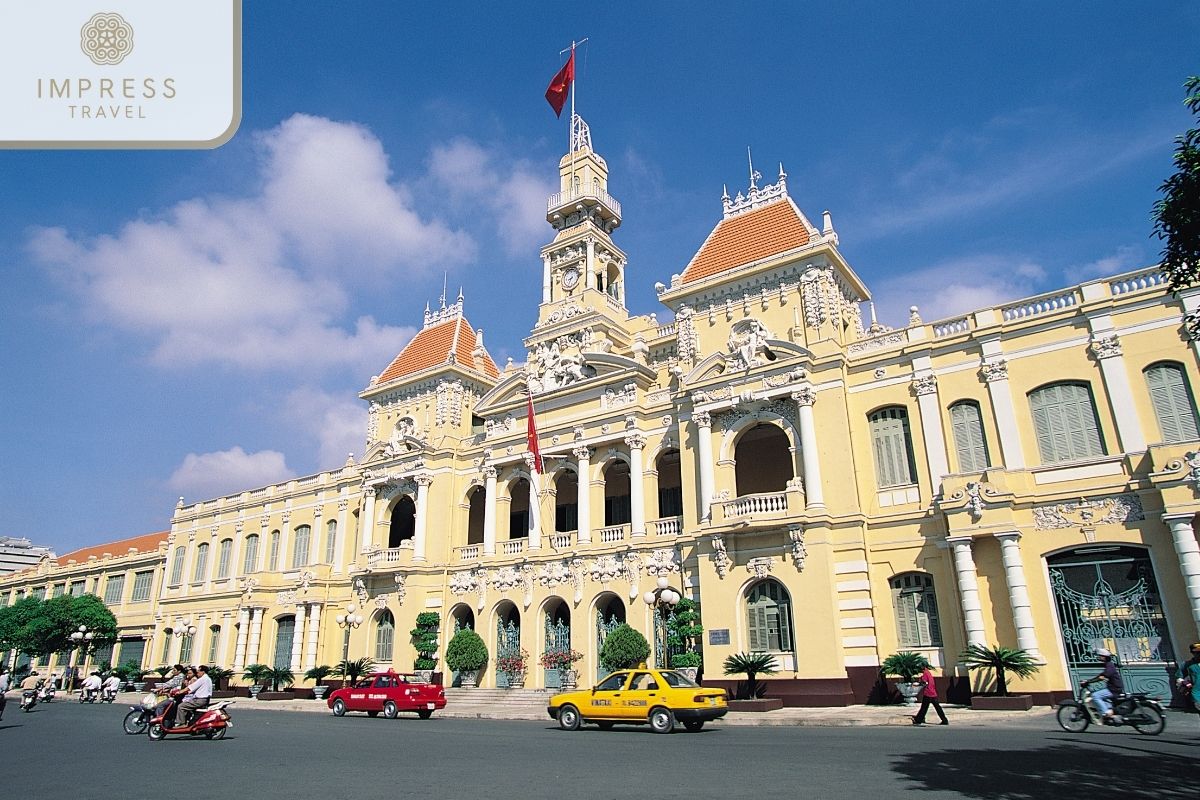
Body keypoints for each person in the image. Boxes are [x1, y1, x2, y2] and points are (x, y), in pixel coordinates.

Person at [1081, 647, 1124, 722]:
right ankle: (1110, 709)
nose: (1099, 657)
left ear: (1104, 657)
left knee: (1095, 695)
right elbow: (1101, 675)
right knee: (1099, 695)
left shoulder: (1109, 666)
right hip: (1113, 688)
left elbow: (1102, 677)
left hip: (1114, 689)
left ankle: (1106, 713)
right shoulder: (1108, 665)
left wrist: (1089, 682)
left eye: (1100, 656)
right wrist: (1089, 680)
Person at [1177, 642, 1200, 713]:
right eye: (1197, 653)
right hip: (1197, 695)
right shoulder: (1187, 664)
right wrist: (1185, 683)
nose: (1199, 654)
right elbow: (1179, 676)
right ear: (1192, 653)